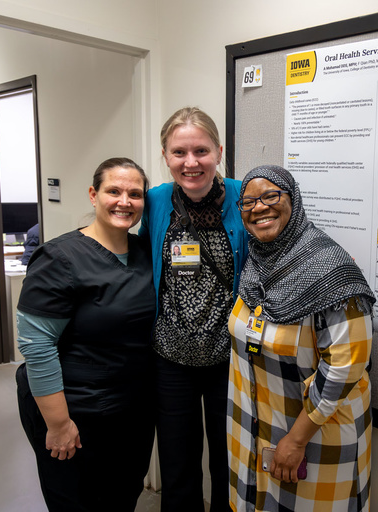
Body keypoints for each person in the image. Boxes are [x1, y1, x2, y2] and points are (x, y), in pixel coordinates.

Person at [228, 165, 376, 511]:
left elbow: (345, 366)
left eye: (270, 196)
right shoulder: (257, 263)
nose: (259, 207)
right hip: (254, 428)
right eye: (248, 202)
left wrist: (295, 441)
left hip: (313, 437)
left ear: (293, 199)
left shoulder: (331, 270)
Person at [15, 157, 156, 511]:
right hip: (75, 410)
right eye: (114, 191)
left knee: (122, 497)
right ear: (94, 195)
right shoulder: (58, 258)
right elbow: (37, 346)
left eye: (135, 194)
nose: (124, 201)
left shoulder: (144, 252)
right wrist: (59, 423)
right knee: (77, 502)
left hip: (131, 410)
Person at [139, 107, 249, 512]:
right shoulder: (153, 202)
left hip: (231, 359)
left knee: (230, 458)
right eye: (179, 152)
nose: (191, 163)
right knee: (177, 460)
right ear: (165, 156)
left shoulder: (244, 196)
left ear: (218, 152)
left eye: (201, 150)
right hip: (170, 358)